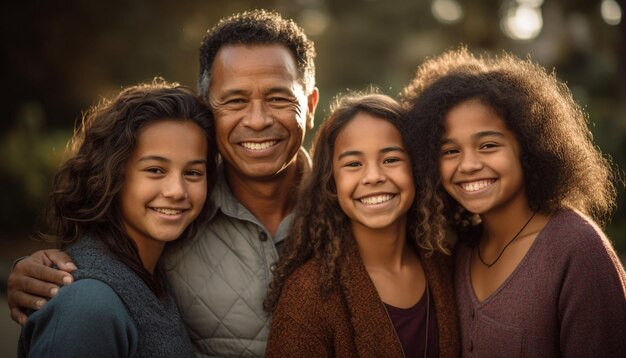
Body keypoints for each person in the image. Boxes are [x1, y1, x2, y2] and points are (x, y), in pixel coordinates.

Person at [7, 10, 319, 356]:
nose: (258, 120)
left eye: (278, 98)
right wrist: (37, 272)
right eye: (235, 100)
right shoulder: (177, 219)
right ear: (208, 109)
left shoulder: (353, 207)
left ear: (310, 105)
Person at [402, 47, 626, 357]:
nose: (468, 165)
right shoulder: (461, 248)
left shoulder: (577, 249)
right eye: (450, 151)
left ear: (530, 146)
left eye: (488, 145)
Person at [18, 79, 218, 357]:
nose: (177, 191)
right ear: (111, 174)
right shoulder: (87, 304)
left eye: (193, 173)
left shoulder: (155, 276)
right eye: (155, 170)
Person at [263, 92, 459, 357]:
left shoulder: (446, 263)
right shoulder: (307, 295)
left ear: (416, 170)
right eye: (353, 164)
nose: (374, 177)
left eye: (390, 159)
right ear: (331, 183)